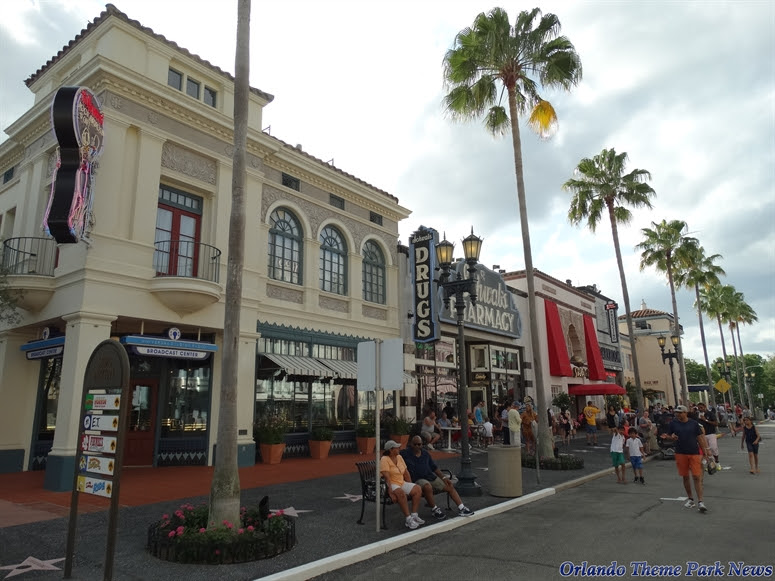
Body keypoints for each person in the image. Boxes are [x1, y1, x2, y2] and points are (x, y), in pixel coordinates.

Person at [401, 436, 475, 519]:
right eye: (415, 444)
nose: (417, 446)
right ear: (411, 444)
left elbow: (434, 468)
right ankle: (434, 509)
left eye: (419, 444)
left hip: (430, 477)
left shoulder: (425, 454)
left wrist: (444, 478)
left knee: (449, 485)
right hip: (417, 480)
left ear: (422, 444)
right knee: (427, 486)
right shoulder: (405, 454)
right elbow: (394, 455)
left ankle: (461, 508)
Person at [661, 405, 712, 513]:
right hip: (680, 453)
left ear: (685, 413)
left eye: (680, 412)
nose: (677, 414)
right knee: (685, 477)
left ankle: (701, 501)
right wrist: (671, 437)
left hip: (694, 453)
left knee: (696, 477)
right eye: (676, 412)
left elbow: (700, 438)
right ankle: (691, 499)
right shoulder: (673, 423)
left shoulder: (693, 423)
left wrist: (706, 451)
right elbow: (668, 435)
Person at [379, 440, 424, 529]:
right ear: (391, 450)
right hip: (391, 484)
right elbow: (387, 477)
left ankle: (414, 515)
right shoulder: (384, 459)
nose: (399, 449)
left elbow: (406, 472)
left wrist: (411, 485)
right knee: (401, 493)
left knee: (417, 489)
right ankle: (408, 519)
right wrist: (390, 493)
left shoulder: (399, 457)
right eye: (396, 448)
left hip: (401, 482)